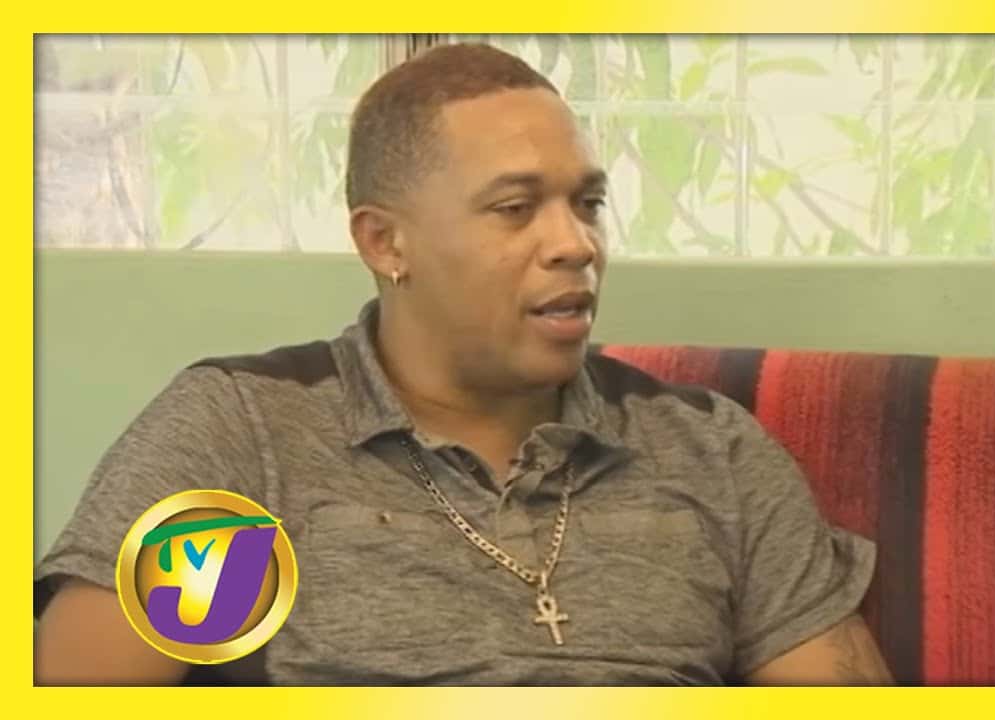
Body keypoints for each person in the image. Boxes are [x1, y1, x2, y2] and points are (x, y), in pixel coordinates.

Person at [34, 43, 891, 686]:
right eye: (516, 208)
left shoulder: (709, 451)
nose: (576, 244)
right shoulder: (247, 438)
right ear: (386, 242)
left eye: (588, 203)